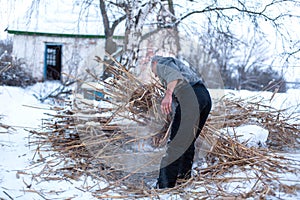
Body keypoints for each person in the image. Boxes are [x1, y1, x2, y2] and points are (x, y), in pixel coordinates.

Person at [150, 56, 212, 189]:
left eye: (154, 72)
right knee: (187, 141)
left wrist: (167, 95)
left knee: (176, 143)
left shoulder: (162, 62)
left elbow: (173, 74)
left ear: (154, 63)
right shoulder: (182, 77)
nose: (156, 76)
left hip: (191, 97)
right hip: (204, 98)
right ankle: (183, 179)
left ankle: (164, 186)